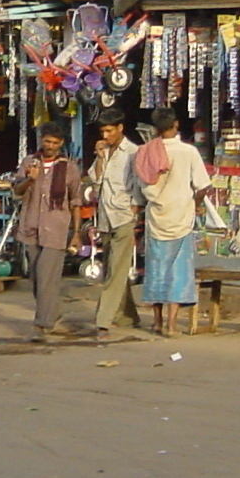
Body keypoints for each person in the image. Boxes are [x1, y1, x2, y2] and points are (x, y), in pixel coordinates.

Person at [134, 109, 211, 336]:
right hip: (181, 217)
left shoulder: (144, 152)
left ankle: (157, 321)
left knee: (156, 269)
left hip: (156, 217)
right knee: (178, 271)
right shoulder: (188, 152)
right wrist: (195, 202)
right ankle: (172, 324)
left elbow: (141, 187)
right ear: (176, 125)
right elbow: (203, 186)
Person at [11, 123, 83, 340]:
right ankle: (54, 313)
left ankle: (42, 325)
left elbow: (76, 201)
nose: (50, 146)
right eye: (47, 141)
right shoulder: (29, 162)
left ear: (61, 144)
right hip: (30, 226)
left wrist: (77, 232)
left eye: (55, 143)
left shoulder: (69, 168)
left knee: (46, 277)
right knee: (36, 278)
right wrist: (30, 179)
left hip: (56, 228)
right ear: (41, 140)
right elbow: (17, 190)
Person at [86, 111, 142, 335]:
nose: (106, 135)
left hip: (124, 216)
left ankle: (103, 318)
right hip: (105, 217)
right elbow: (96, 180)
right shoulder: (104, 152)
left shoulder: (133, 152)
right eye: (103, 132)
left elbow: (140, 182)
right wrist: (100, 156)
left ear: (120, 128)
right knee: (114, 267)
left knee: (115, 272)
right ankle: (128, 316)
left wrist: (135, 206)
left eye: (109, 131)